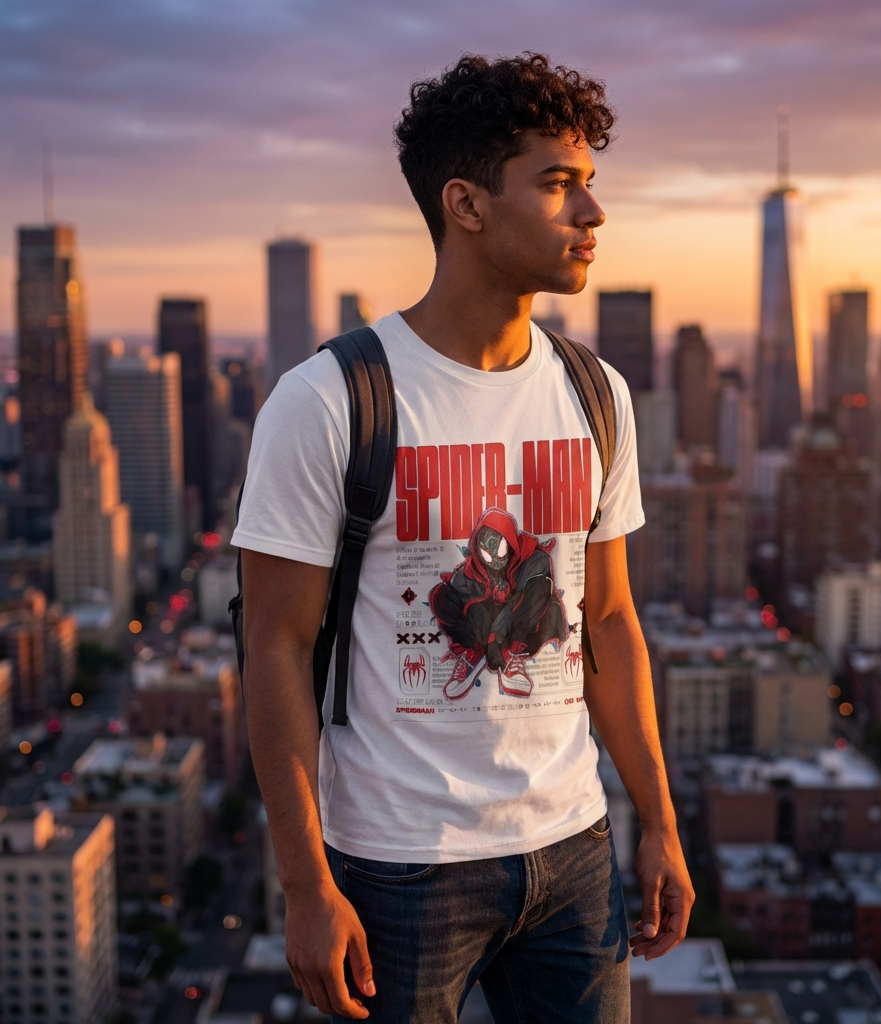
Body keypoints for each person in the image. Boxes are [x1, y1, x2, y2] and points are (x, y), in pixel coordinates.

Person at [234, 52, 695, 1023]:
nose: (592, 214)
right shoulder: (327, 402)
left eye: (590, 185)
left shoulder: (595, 395)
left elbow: (607, 622)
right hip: (399, 869)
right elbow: (273, 647)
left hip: (573, 850)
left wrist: (657, 820)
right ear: (467, 204)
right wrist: (305, 883)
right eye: (558, 183)